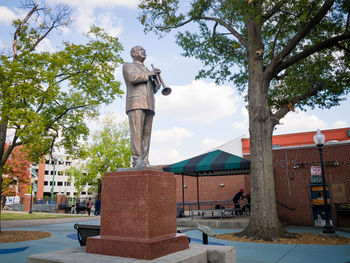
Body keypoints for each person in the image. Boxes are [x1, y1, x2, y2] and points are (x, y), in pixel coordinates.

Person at [122, 46, 161, 167]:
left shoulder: (147, 69)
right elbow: (132, 78)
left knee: (146, 134)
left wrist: (156, 80)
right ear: (133, 53)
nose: (144, 51)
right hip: (135, 103)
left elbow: (154, 89)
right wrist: (149, 74)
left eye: (145, 50)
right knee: (137, 132)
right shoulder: (128, 65)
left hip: (149, 103)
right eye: (140, 50)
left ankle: (145, 159)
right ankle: (137, 159)